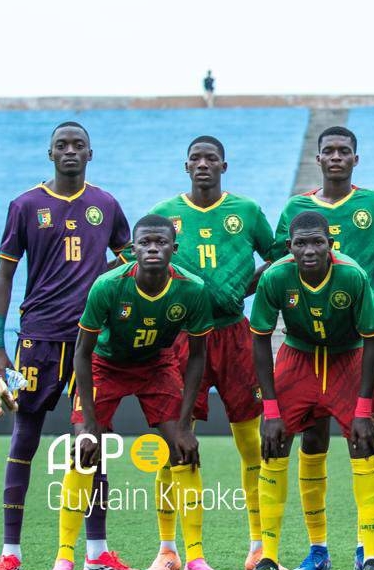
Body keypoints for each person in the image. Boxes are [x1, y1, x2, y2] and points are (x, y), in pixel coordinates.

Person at [0, 122, 131, 570]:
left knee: (91, 440)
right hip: (38, 339)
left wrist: (97, 279)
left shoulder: (106, 205)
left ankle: (96, 552)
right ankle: (11, 552)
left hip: (91, 342)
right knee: (25, 438)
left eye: (78, 145)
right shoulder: (25, 205)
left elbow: (129, 261)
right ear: (50, 154)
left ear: (90, 153)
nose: (70, 151)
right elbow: (5, 275)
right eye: (62, 145)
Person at [273, 126, 374, 570]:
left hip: (359, 344)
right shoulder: (295, 208)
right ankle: (318, 549)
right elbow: (279, 262)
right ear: (317, 158)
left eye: (343, 151)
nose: (336, 157)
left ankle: (367, 549)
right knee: (311, 441)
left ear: (356, 158)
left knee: (365, 440)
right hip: (307, 347)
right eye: (328, 151)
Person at [142, 136, 277, 570]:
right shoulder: (165, 213)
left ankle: (258, 546)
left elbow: (278, 257)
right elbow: (140, 266)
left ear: (224, 165)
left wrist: (243, 288)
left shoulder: (246, 211)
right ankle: (170, 549)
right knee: (173, 444)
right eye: (196, 159)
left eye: (211, 158)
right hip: (181, 338)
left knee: (251, 443)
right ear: (186, 167)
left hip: (235, 335)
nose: (203, 164)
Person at [60, 214, 214, 570]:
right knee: (84, 452)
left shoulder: (192, 289)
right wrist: (89, 425)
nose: (153, 248)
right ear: (133, 249)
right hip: (105, 365)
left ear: (174, 248)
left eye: (161, 242)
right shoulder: (108, 285)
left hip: (155, 365)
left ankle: (195, 557)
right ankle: (64, 558)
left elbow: (197, 357)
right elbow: (82, 353)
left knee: (184, 449)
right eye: (145, 242)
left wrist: (186, 425)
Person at [250, 212, 374, 570]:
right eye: (301, 243)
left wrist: (363, 409)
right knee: (274, 444)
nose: (309, 250)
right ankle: (277, 555)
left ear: (330, 244)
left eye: (317, 242)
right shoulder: (275, 277)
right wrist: (270, 410)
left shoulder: (352, 276)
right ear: (289, 246)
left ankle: (369, 552)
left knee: (364, 445)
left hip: (349, 358)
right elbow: (260, 340)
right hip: (298, 358)